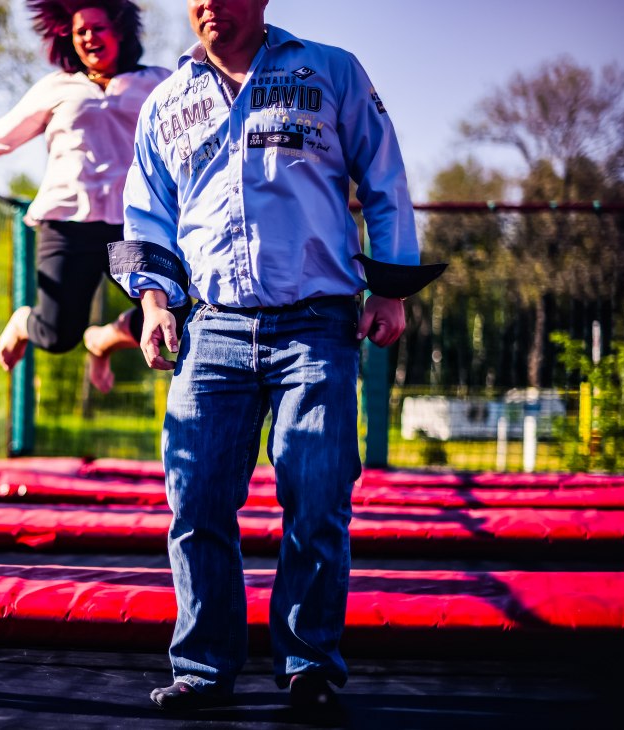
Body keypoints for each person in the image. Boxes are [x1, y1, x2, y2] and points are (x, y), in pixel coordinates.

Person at [109, 0, 444, 713]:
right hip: (212, 328)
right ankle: (202, 667)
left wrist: (389, 289)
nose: (208, 6)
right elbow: (148, 212)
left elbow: (384, 180)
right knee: (195, 501)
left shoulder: (330, 72)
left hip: (316, 327)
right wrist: (155, 302)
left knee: (317, 498)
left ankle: (309, 663)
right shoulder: (167, 101)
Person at [0, 0, 186, 393]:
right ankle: (23, 321)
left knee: (180, 313)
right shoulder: (58, 87)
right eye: (81, 31)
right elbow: (2, 133)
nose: (88, 38)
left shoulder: (157, 82)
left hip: (129, 227)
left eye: (98, 28)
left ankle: (106, 338)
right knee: (58, 334)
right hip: (67, 224)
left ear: (120, 31)